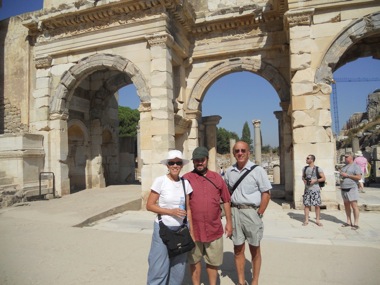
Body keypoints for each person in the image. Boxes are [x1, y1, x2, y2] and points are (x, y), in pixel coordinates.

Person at [183, 146, 232, 285]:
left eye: (202, 160)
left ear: (207, 160)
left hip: (213, 228)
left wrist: (229, 223)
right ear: (193, 162)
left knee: (213, 261)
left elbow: (226, 200)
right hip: (194, 229)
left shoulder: (217, 178)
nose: (199, 163)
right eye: (197, 160)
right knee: (194, 260)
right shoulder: (186, 179)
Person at [224, 141, 272, 285]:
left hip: (251, 212)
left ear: (248, 152)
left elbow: (266, 193)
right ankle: (240, 281)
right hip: (235, 212)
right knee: (238, 248)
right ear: (233, 153)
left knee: (255, 249)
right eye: (237, 151)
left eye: (243, 150)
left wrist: (260, 213)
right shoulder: (229, 172)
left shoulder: (258, 170)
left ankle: (254, 281)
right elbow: (225, 194)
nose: (240, 153)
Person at [146, 150, 193, 285]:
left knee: (178, 269)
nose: (175, 165)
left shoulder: (186, 183)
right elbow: (149, 205)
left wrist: (191, 230)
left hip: (181, 229)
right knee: (158, 267)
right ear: (167, 165)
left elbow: (188, 208)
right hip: (163, 228)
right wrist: (170, 212)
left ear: (182, 165)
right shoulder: (160, 181)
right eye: (172, 163)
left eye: (178, 162)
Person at [339, 152, 362, 230]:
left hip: (352, 188)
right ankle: (348, 221)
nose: (345, 158)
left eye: (346, 157)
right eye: (344, 157)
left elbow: (359, 177)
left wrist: (348, 175)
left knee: (354, 206)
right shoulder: (344, 167)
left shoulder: (356, 166)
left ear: (351, 157)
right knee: (346, 205)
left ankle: (356, 223)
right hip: (343, 188)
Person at [302, 154, 326, 227]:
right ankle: (306, 220)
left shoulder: (318, 169)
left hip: (315, 189)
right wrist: (304, 180)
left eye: (308, 158)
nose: (306, 159)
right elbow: (303, 176)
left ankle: (317, 220)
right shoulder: (305, 168)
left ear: (312, 160)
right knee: (306, 205)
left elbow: (323, 178)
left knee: (317, 205)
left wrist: (315, 180)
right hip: (307, 189)